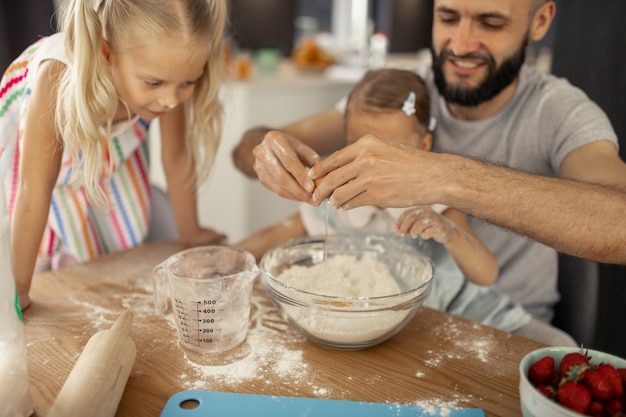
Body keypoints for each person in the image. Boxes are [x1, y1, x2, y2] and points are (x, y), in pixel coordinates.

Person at [232, 0, 626, 326]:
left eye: (490, 22)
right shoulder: (401, 93)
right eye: (448, 17)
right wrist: (267, 150)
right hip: (406, 319)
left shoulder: (560, 112)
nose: (461, 44)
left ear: (539, 21)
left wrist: (444, 176)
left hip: (505, 327)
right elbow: (246, 151)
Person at [234, 68, 576, 346]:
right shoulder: (337, 198)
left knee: (560, 347)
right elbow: (279, 233)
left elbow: (486, 273)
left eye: (389, 151)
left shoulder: (434, 198)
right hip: (392, 335)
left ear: (422, 147)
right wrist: (224, 258)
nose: (371, 163)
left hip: (468, 320)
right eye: (358, 146)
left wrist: (450, 233)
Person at [0, 0, 228, 310]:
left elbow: (175, 157)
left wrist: (190, 232)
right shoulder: (57, 76)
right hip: (33, 170)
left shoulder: (169, 73)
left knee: (103, 257)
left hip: (103, 165)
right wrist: (18, 291)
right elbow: (33, 189)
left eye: (189, 82)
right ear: (107, 53)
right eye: (154, 83)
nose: (172, 100)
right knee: (41, 266)